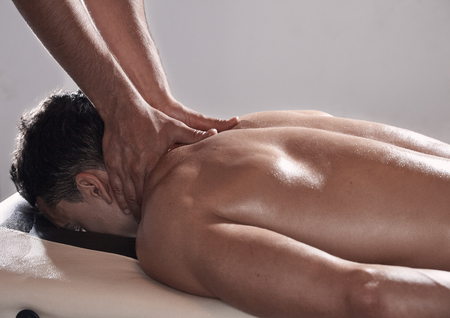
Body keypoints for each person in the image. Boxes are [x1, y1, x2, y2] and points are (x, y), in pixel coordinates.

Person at [11, 90, 450, 317]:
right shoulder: (252, 125)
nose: (87, 237)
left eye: (76, 226)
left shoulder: (170, 221)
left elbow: (368, 300)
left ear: (92, 187)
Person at [12, 0, 239, 218]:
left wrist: (148, 102)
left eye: (78, 227)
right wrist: (131, 107)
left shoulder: (168, 236)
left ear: (95, 188)